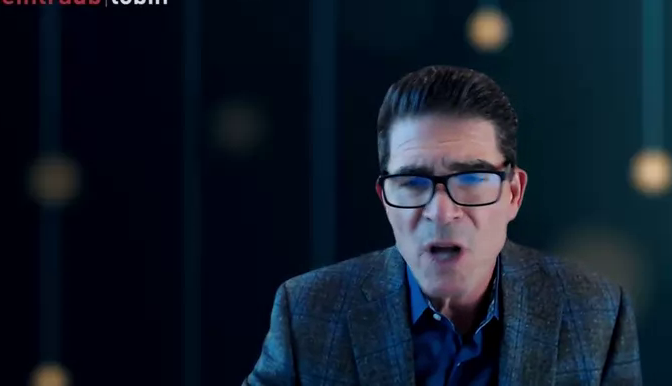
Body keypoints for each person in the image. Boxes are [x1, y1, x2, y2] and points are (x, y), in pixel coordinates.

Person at [244, 65, 642, 385]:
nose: (441, 211)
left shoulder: (596, 312)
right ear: (384, 199)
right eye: (412, 182)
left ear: (513, 193)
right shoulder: (308, 312)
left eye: (471, 178)